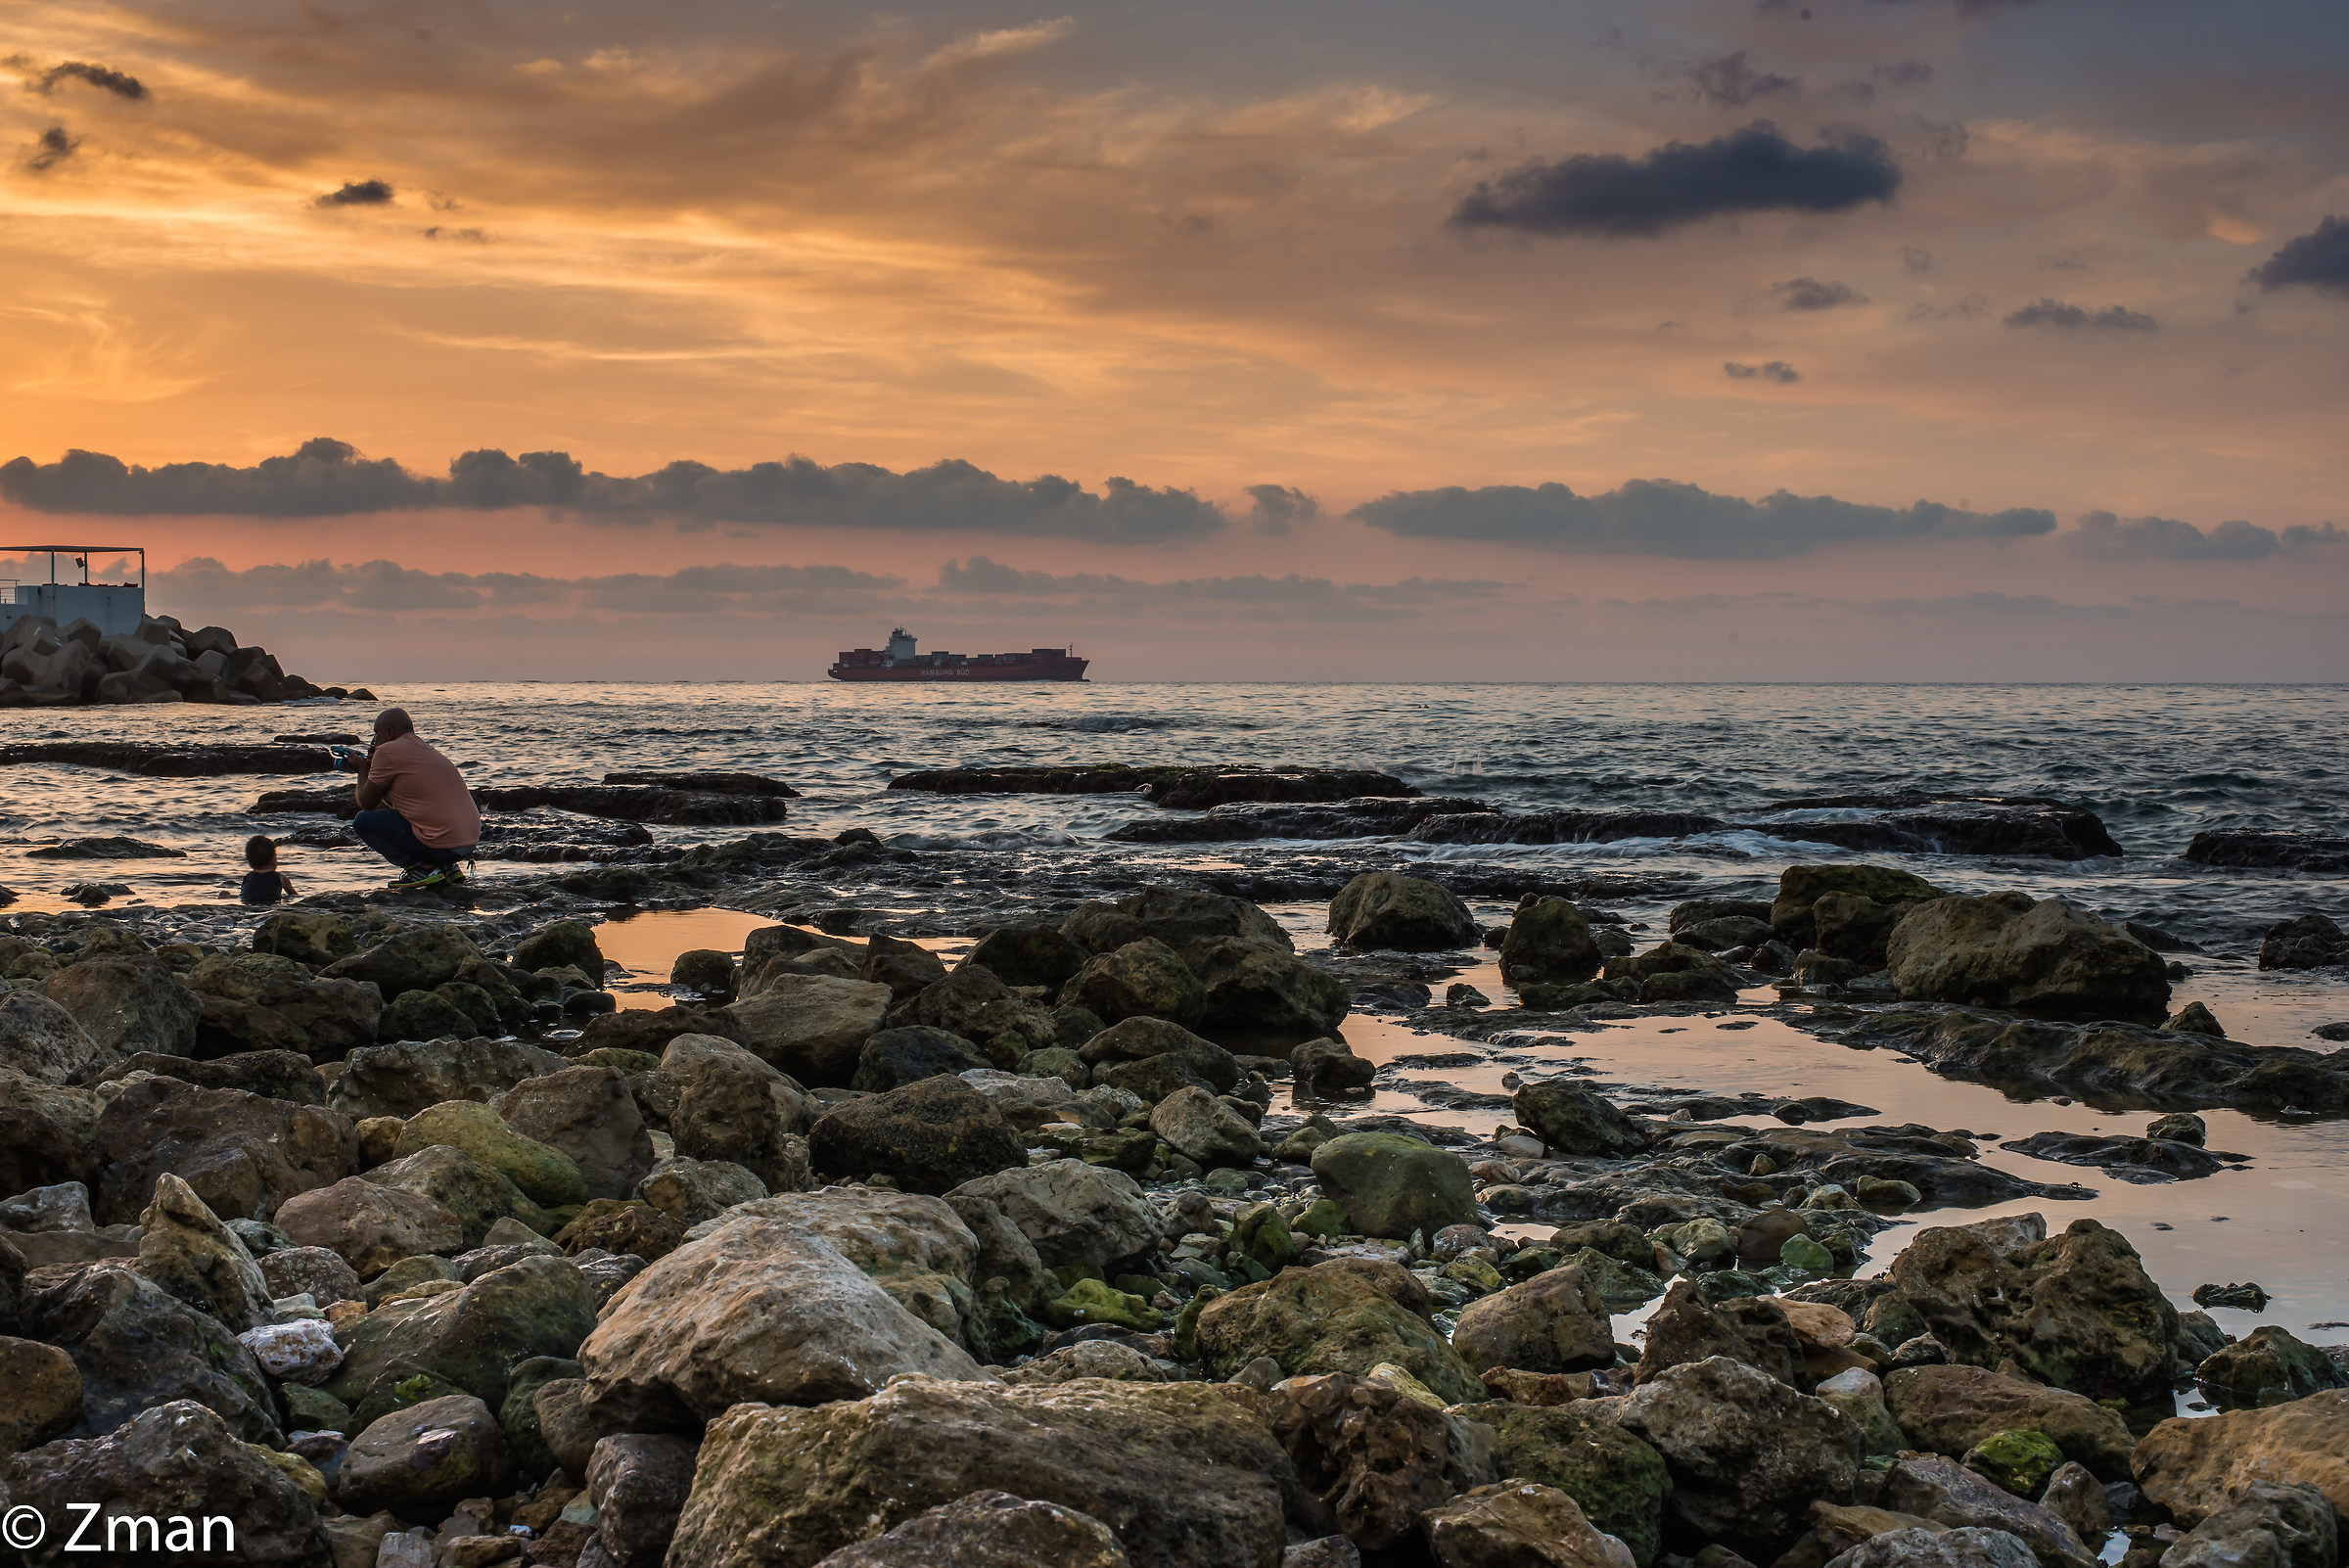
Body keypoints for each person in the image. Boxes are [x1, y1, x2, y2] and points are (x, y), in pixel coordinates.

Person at [349, 708, 482, 890]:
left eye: (375, 733)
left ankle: (423, 869)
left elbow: (367, 803)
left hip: (442, 844)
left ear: (389, 732)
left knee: (362, 821)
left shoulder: (387, 750)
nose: (373, 741)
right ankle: (446, 868)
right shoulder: (425, 749)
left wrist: (362, 769)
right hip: (467, 843)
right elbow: (407, 804)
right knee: (402, 819)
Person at [239, 835, 297, 904]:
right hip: (271, 906)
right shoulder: (280, 878)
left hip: (249, 906)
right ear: (273, 859)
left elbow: (243, 895)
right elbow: (294, 896)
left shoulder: (247, 877)